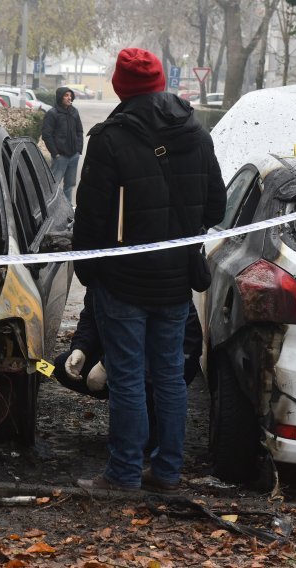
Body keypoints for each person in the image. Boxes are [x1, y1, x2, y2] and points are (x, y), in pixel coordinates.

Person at [71, 48, 226, 493]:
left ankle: (122, 474)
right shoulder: (196, 133)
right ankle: (167, 471)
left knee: (127, 379)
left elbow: (91, 218)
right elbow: (216, 205)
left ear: (120, 87)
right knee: (170, 377)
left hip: (122, 282)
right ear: (161, 83)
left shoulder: (108, 138)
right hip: (176, 281)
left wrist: (90, 273)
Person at [53, 288, 204, 452]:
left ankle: (141, 444)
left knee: (148, 439)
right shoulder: (101, 274)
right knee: (64, 365)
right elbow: (91, 314)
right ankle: (135, 429)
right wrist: (80, 349)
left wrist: (106, 365)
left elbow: (139, 332)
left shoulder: (135, 276)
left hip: (170, 359)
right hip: (131, 352)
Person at [42, 86, 83, 204]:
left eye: (70, 95)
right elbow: (46, 135)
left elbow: (79, 131)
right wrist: (55, 153)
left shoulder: (74, 111)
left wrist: (78, 150)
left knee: (69, 185)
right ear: (60, 97)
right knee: (53, 185)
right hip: (60, 157)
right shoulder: (52, 113)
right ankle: (50, 209)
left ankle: (68, 209)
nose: (69, 97)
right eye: (66, 95)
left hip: (74, 156)